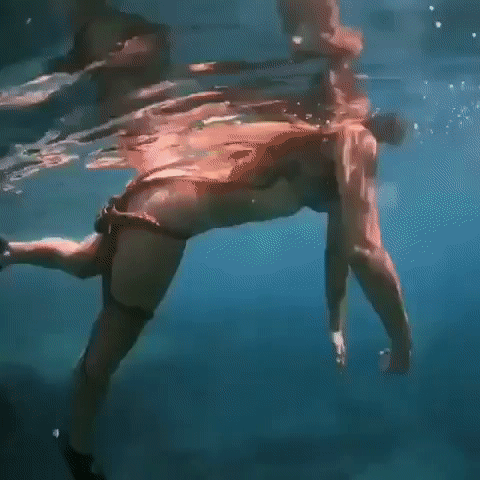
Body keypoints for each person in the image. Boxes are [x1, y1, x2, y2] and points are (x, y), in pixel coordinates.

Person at [0, 1, 412, 478]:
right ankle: (76, 452)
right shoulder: (355, 141)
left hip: (153, 195)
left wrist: (335, 323)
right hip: (160, 223)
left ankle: (10, 251)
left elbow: (341, 250)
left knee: (86, 261)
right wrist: (401, 343)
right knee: (102, 359)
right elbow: (365, 249)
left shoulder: (332, 148)